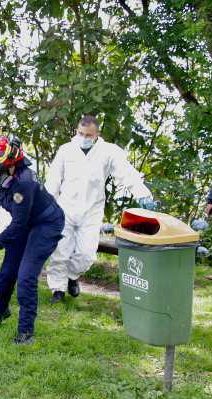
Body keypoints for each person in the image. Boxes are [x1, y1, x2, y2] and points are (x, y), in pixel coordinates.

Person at [45, 115, 154, 304]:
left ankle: (72, 277)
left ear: (97, 134)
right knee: (60, 251)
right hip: (65, 209)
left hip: (91, 211)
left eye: (88, 135)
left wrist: (142, 193)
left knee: (86, 254)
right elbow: (53, 180)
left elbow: (125, 172)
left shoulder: (108, 152)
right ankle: (58, 290)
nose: (84, 137)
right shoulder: (66, 150)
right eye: (80, 133)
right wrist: (45, 205)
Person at [0, 136, 64, 344]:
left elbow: (18, 225)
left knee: (25, 275)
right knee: (7, 271)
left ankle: (26, 332)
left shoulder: (24, 183)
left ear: (11, 166)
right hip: (24, 223)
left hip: (45, 224)